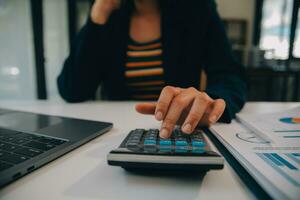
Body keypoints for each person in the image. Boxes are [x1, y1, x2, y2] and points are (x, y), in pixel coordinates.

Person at [57, 0, 247, 139]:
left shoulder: (197, 8)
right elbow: (73, 89)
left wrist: (209, 103)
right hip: (117, 132)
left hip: (182, 129)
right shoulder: (110, 16)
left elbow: (229, 75)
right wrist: (98, 16)